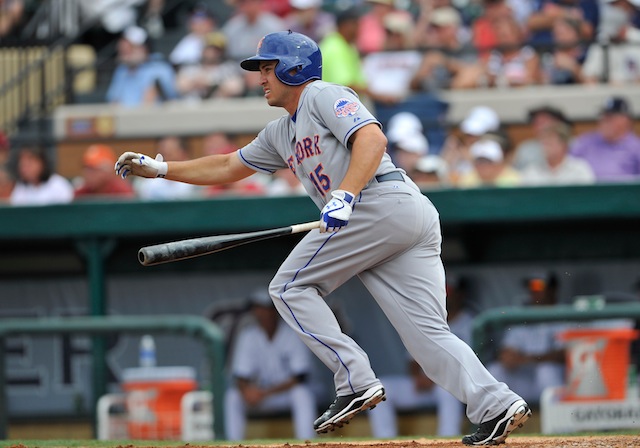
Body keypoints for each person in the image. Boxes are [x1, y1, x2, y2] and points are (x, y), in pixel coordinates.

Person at [115, 31, 531, 445]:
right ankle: (496, 405)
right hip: (392, 215)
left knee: (289, 287)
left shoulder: (321, 94)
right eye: (259, 68)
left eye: (267, 67)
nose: (260, 77)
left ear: (295, 68)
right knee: (427, 336)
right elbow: (227, 166)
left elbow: (372, 137)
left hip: (378, 202)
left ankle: (354, 380)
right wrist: (163, 169)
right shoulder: (281, 131)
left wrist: (345, 193)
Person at [368, 276, 475, 437]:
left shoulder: (470, 322)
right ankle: (385, 439)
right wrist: (417, 376)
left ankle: (448, 439)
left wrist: (435, 377)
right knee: (381, 388)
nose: (445, 296)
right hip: (423, 384)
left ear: (460, 294)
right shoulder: (425, 318)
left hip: (452, 383)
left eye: (449, 292)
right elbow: (412, 358)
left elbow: (467, 363)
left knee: (448, 392)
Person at [224, 288, 317, 441]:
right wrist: (247, 391)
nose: (259, 313)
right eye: (256, 308)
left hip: (286, 393)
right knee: (232, 396)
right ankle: (234, 443)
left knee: (301, 394)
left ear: (275, 309)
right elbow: (241, 375)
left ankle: (306, 442)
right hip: (265, 396)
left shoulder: (292, 332)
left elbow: (300, 377)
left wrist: (265, 392)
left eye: (263, 308)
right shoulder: (249, 335)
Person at [488, 272, 570, 405]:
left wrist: (529, 358)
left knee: (546, 370)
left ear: (552, 289)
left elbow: (564, 354)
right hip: (526, 381)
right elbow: (506, 351)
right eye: (531, 287)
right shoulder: (523, 314)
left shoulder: (565, 313)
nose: (534, 291)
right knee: (495, 370)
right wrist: (509, 357)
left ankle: (560, 425)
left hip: (556, 382)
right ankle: (492, 424)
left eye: (538, 286)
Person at [569, 96, 640, 182]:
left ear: (625, 120)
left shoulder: (636, 147)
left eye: (610, 118)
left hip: (622, 193)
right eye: (603, 116)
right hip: (585, 192)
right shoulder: (586, 142)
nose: (604, 121)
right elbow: (567, 164)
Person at [105, 25, 178, 107]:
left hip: (154, 117)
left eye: (130, 47)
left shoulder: (159, 66)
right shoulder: (121, 70)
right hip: (125, 117)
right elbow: (113, 101)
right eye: (123, 48)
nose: (124, 50)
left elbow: (171, 97)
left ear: (144, 49)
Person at [175, 31, 246, 101]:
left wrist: (211, 85)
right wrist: (195, 83)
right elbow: (180, 86)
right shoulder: (192, 67)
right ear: (203, 50)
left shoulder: (229, 68)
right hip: (192, 108)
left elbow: (236, 88)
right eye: (209, 49)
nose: (211, 53)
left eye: (216, 50)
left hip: (219, 108)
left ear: (222, 51)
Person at [520, 123, 596, 186]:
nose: (545, 147)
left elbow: (587, 197)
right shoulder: (531, 171)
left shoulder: (579, 169)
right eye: (543, 143)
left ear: (564, 145)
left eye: (550, 143)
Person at [131, 137, 202, 200]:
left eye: (170, 151)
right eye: (162, 152)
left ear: (183, 153)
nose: (165, 155)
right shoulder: (145, 182)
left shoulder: (197, 178)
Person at [512, 104, 573, 171]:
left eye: (544, 122)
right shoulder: (525, 149)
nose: (540, 127)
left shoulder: (574, 145)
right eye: (537, 123)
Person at [457, 136, 522, 188]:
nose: (482, 166)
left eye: (487, 161)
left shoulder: (515, 181)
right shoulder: (467, 180)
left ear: (499, 163)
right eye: (479, 161)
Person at [169, 4, 217, 68]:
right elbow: (175, 61)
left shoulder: (218, 37)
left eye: (203, 22)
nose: (200, 25)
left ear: (211, 22)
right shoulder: (188, 40)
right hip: (190, 72)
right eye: (196, 22)